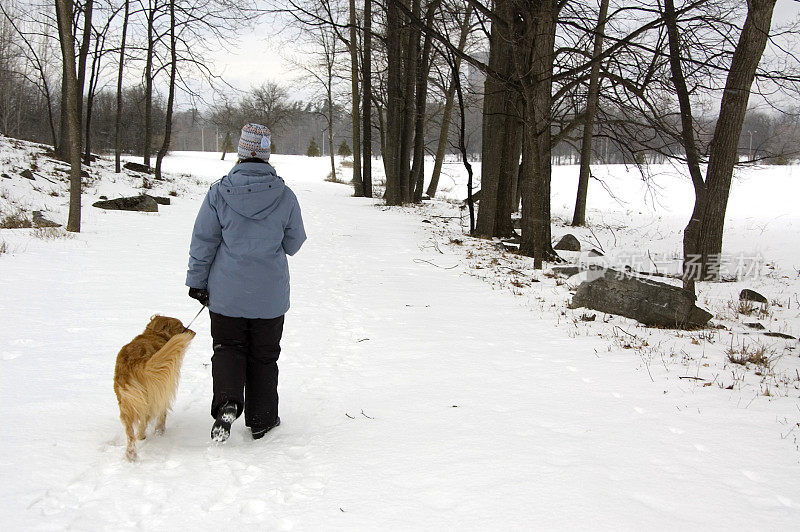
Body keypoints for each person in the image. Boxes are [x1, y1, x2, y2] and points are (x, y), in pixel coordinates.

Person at [186, 123, 306, 442]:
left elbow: (203, 241)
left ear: (241, 151)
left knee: (227, 348)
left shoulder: (219, 191)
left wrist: (197, 282)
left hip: (227, 294)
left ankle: (227, 401)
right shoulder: (285, 194)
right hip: (269, 298)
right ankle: (262, 418)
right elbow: (294, 243)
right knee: (264, 356)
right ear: (266, 153)